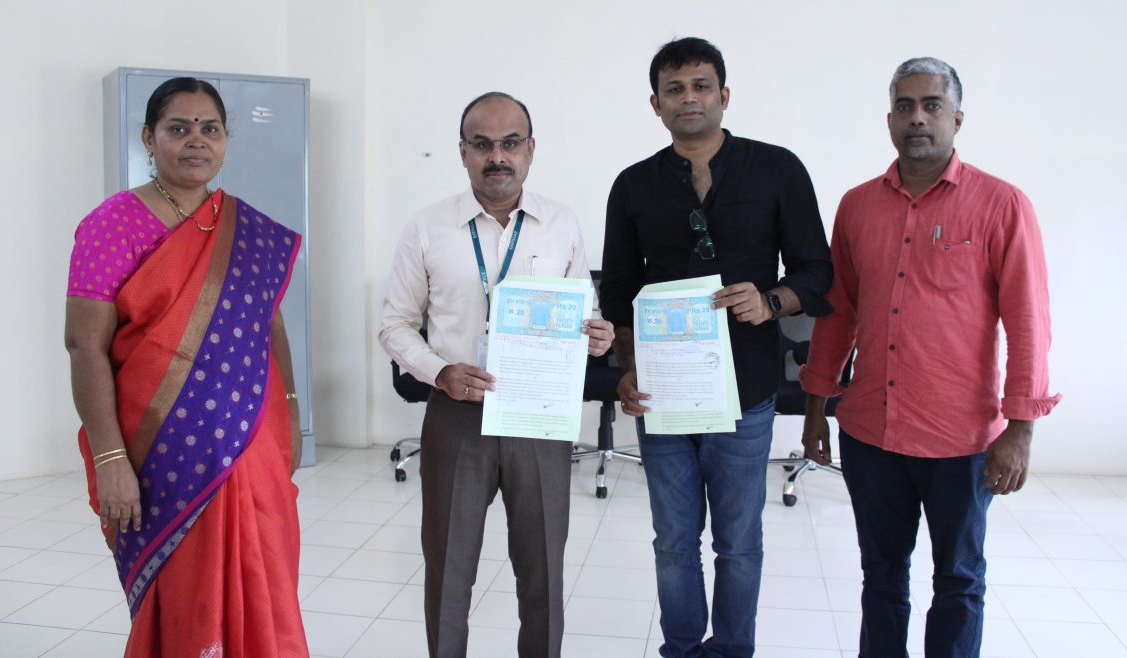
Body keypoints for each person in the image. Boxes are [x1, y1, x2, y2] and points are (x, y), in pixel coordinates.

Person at [800, 57, 1061, 657]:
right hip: (871, 432)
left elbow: (1028, 321)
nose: (917, 118)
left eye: (932, 105)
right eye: (905, 106)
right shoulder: (857, 206)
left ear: (957, 119)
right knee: (881, 577)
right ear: (890, 119)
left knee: (959, 580)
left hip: (961, 440)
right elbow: (838, 314)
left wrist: (1020, 429)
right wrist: (816, 406)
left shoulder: (1002, 204)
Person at [600, 37, 833, 658]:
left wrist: (772, 300)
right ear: (655, 104)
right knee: (674, 541)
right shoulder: (633, 185)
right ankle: (680, 649)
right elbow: (618, 291)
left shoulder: (777, 169)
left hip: (746, 389)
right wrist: (629, 370)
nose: (689, 98)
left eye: (701, 86)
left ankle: (732, 650)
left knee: (738, 542)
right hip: (663, 394)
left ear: (724, 95)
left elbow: (817, 271)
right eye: (674, 89)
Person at [64, 77, 308, 657]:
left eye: (210, 129)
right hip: (158, 454)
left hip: (250, 447)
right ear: (149, 139)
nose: (196, 140)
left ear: (225, 140)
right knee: (183, 601)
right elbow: (84, 346)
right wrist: (110, 459)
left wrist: (292, 414)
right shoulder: (112, 224)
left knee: (265, 580)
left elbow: (270, 327)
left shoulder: (248, 230)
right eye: (179, 128)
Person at [379, 91, 615, 658]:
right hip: (457, 414)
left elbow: (584, 312)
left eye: (511, 143)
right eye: (482, 145)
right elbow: (395, 325)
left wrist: (598, 333)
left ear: (531, 150)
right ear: (462, 152)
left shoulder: (560, 223)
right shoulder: (428, 226)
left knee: (543, 572)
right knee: (449, 569)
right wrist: (440, 373)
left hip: (538, 417)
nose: (497, 157)